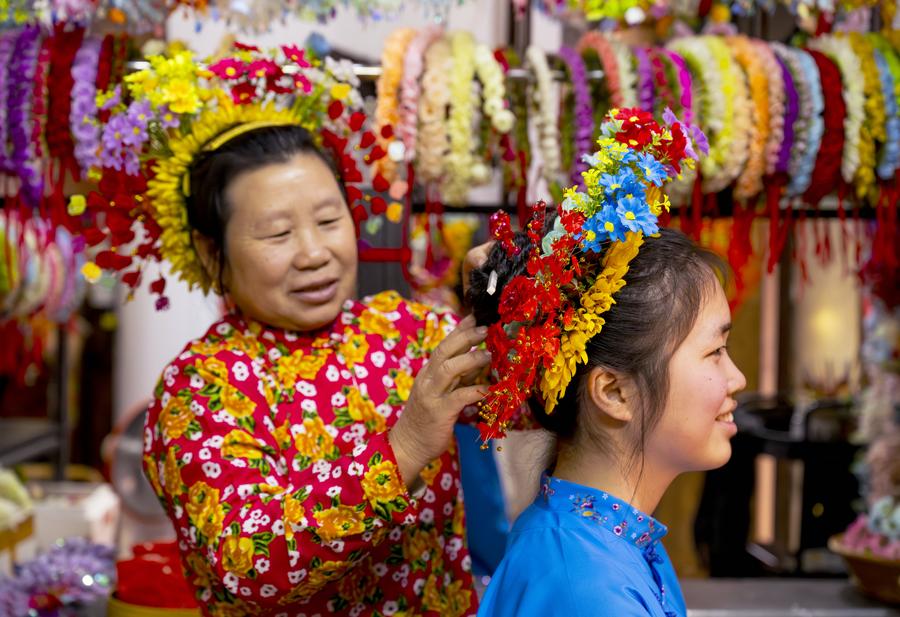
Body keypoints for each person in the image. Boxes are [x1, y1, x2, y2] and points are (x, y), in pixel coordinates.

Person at [91, 45, 491, 616]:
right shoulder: (199, 391)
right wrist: (401, 450)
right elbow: (245, 566)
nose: (313, 253)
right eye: (277, 234)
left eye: (329, 221)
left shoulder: (405, 330)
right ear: (211, 253)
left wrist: (505, 300)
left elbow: (522, 398)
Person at [469, 110, 746, 616]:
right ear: (614, 392)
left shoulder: (607, 543)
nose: (737, 379)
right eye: (714, 352)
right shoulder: (585, 587)